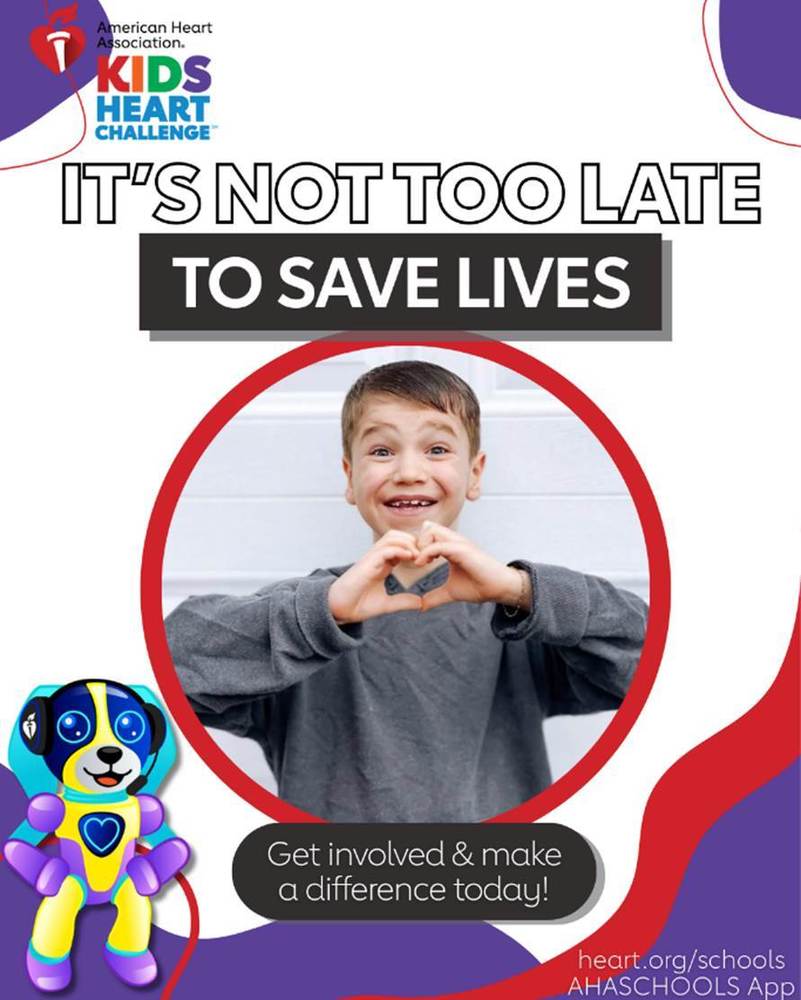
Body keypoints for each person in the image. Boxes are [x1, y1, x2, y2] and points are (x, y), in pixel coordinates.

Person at [165, 361, 647, 822]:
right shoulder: (301, 623)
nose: (409, 471)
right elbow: (165, 666)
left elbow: (649, 658)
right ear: (350, 478)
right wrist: (322, 613)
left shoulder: (521, 617)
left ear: (474, 474)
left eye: (437, 450)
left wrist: (521, 589)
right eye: (381, 451)